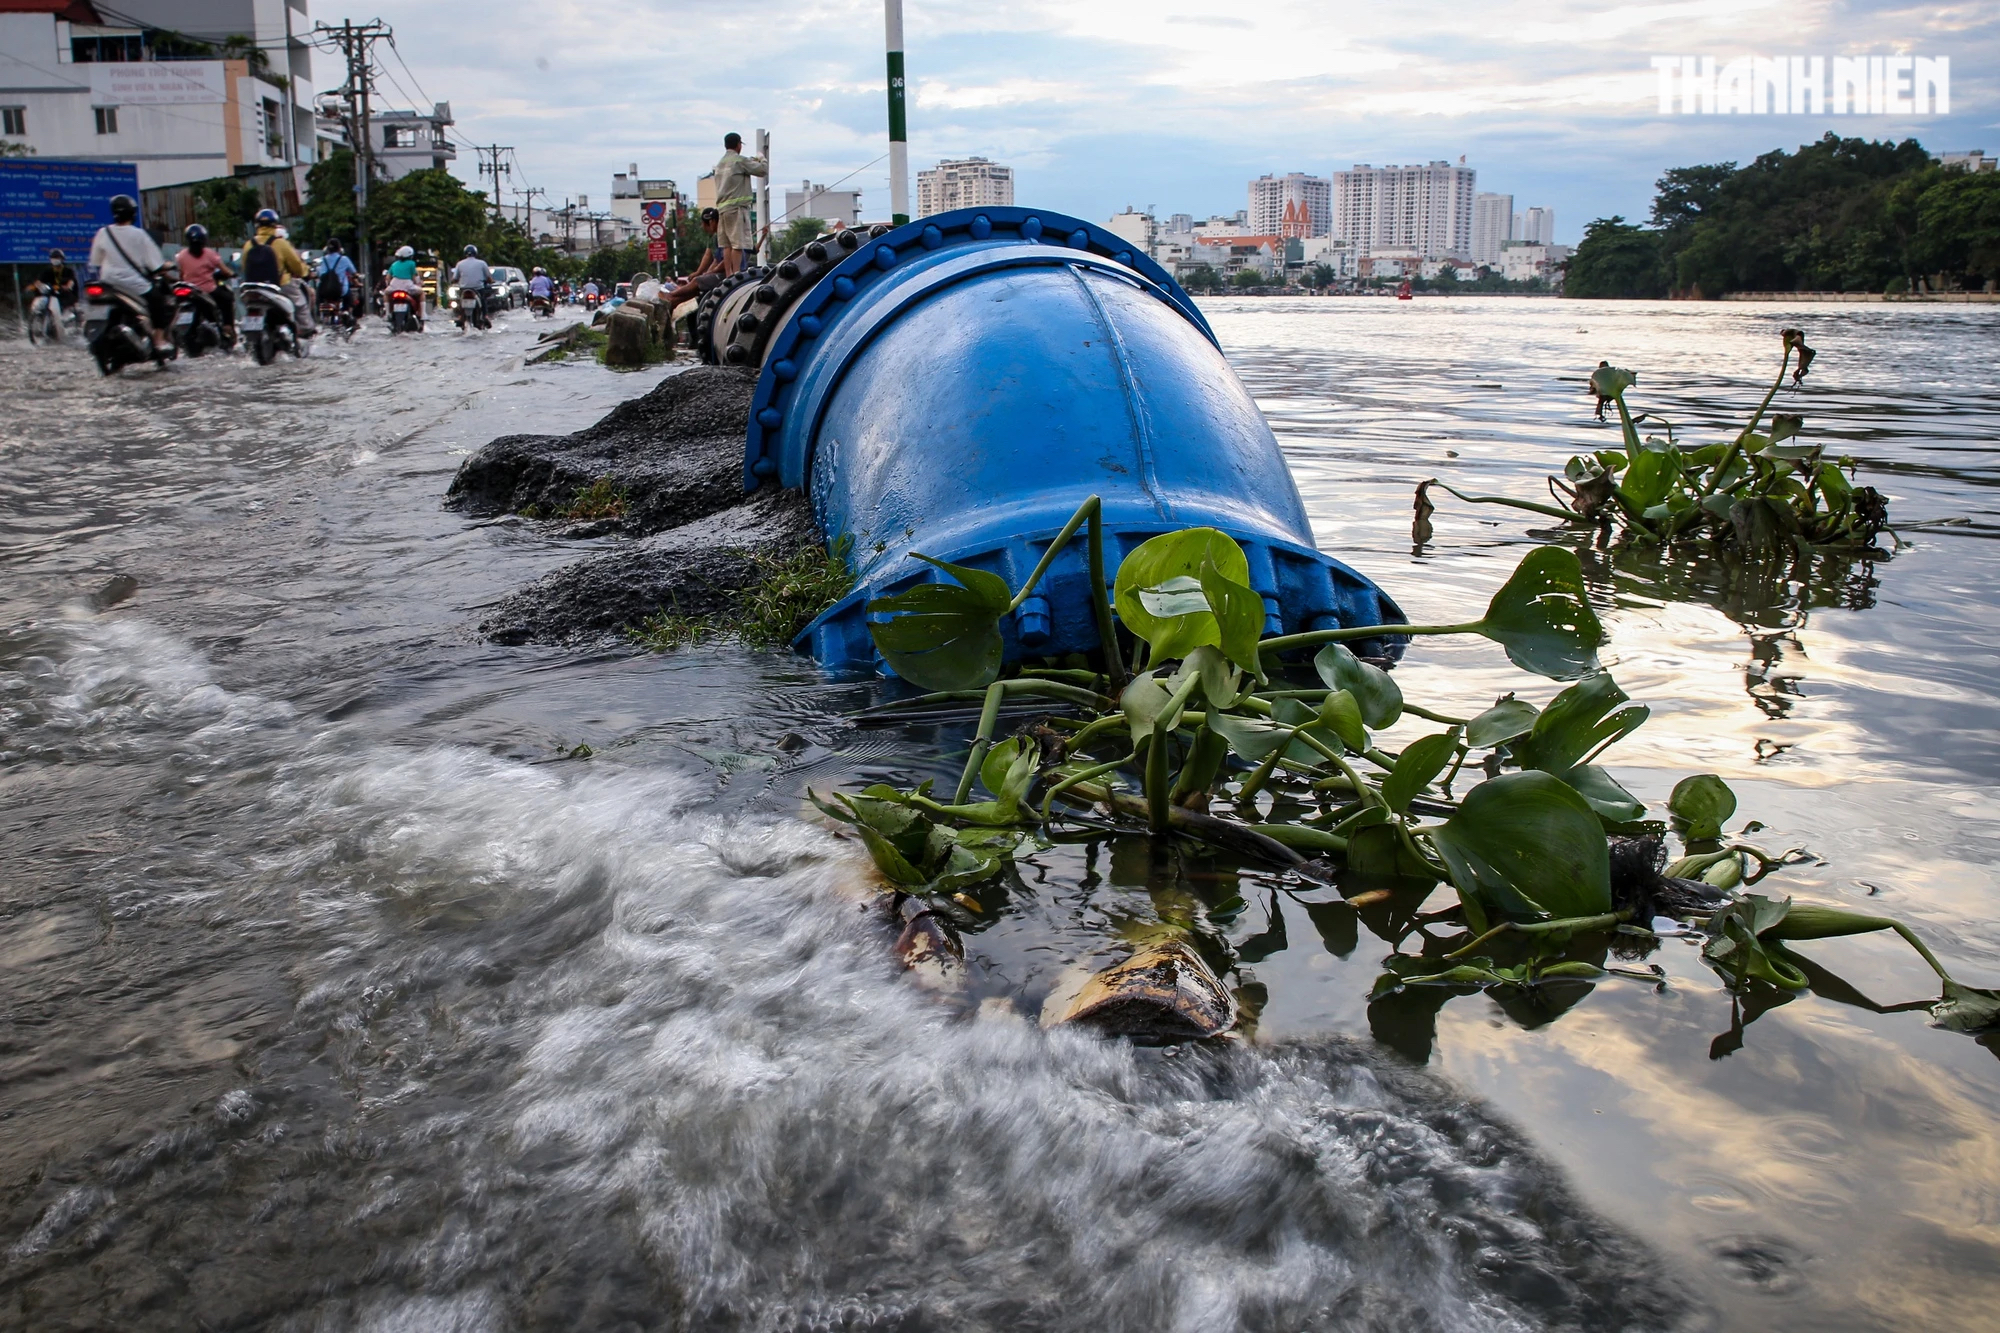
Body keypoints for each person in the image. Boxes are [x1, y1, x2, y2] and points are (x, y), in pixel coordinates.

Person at [88, 193, 172, 359]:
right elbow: (155, 264)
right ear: (132, 213)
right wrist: (166, 266)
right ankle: (159, 340)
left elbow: (95, 261)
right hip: (134, 284)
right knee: (159, 301)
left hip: (108, 282)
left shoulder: (103, 233)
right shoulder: (139, 235)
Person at [241, 208, 314, 334]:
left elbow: (244, 266)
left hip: (252, 287)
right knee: (300, 304)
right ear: (275, 225)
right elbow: (296, 265)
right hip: (280, 285)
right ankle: (306, 330)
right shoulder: (280, 243)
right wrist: (306, 272)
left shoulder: (249, 244)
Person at [712, 132, 768, 275]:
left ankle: (729, 274)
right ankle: (736, 273)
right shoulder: (740, 161)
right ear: (738, 145)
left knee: (726, 244)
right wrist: (762, 158)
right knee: (738, 243)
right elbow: (762, 170)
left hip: (722, 208)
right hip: (736, 208)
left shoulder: (720, 164)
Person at [174, 224, 236, 332]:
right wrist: (232, 274)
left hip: (189, 291)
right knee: (227, 297)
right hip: (208, 290)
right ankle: (227, 326)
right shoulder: (209, 254)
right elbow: (225, 270)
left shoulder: (181, 255)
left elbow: (181, 275)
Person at [660, 208, 725, 308]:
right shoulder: (715, 237)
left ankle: (671, 295)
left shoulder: (723, 237)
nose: (702, 227)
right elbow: (713, 258)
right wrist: (704, 272)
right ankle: (672, 302)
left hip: (724, 274)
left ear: (712, 222)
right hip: (718, 273)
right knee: (696, 289)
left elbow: (724, 261)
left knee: (696, 281)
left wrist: (709, 272)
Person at [315, 237, 360, 323]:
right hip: (340, 291)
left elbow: (319, 273)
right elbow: (354, 273)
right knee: (348, 297)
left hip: (324, 291)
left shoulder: (323, 259)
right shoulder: (344, 259)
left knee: (319, 298)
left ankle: (318, 312)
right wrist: (356, 276)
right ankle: (346, 311)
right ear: (339, 248)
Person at [451, 244, 492, 321]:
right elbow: (488, 277)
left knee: (459, 300)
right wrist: (491, 281)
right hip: (478, 288)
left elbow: (454, 278)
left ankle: (460, 316)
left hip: (464, 289)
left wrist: (454, 281)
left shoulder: (460, 264)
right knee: (483, 300)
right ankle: (485, 316)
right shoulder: (482, 263)